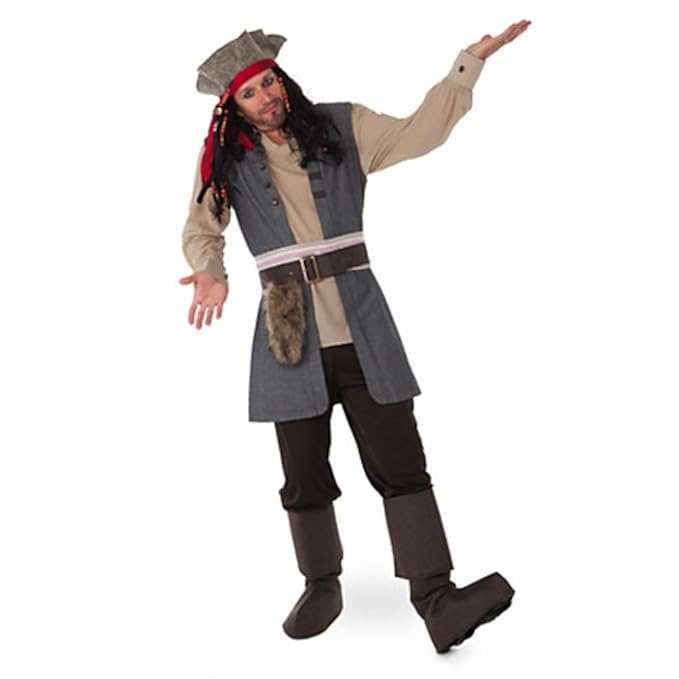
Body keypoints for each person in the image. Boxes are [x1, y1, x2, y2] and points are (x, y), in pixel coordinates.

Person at [179, 23, 531, 653]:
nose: (265, 98)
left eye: (269, 83)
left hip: (363, 327)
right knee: (303, 472)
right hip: (288, 337)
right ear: (232, 107)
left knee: (403, 464)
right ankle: (322, 585)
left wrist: (468, 65)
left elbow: (419, 133)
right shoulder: (224, 161)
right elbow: (202, 227)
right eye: (250, 93)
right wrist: (210, 271)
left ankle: (437, 600)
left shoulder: (340, 126)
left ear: (283, 81)